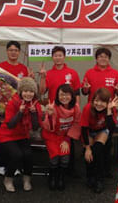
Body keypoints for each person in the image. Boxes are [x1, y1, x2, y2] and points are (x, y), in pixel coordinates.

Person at [39, 46, 81, 177]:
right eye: (55, 55)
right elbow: (41, 91)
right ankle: (54, 169)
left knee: (69, 140)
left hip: (70, 111)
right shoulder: (49, 74)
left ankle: (69, 170)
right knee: (54, 140)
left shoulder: (72, 73)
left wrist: (76, 108)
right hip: (54, 112)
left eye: (60, 55)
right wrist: (42, 77)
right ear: (52, 57)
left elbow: (77, 92)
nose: (58, 57)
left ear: (64, 56)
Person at [81, 47, 118, 178]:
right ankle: (92, 172)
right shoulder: (89, 72)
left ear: (109, 59)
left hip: (109, 113)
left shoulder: (115, 73)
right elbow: (84, 92)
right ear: (96, 58)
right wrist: (85, 89)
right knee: (92, 146)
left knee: (107, 144)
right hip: (93, 113)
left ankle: (106, 169)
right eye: (100, 56)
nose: (103, 58)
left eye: (105, 56)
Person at [0, 41, 34, 177]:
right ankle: (1, 165)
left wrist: (31, 78)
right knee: (2, 140)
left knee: (16, 140)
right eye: (11, 50)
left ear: (19, 52)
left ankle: (15, 167)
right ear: (7, 51)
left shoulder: (24, 69)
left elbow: (28, 89)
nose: (13, 52)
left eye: (16, 50)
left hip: (19, 111)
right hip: (0, 110)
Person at [0, 77, 42, 192]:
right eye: (26, 91)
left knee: (28, 155)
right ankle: (8, 179)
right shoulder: (13, 102)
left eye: (31, 91)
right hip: (7, 134)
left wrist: (33, 114)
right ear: (21, 92)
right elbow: (10, 125)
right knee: (17, 155)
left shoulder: (35, 104)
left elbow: (36, 127)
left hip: (22, 135)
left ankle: (27, 180)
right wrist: (20, 112)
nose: (28, 94)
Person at [41, 84, 81, 191]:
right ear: (57, 96)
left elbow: (76, 124)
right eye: (61, 95)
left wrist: (67, 139)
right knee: (55, 158)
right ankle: (52, 177)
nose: (64, 97)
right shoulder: (53, 107)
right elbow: (48, 128)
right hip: (52, 135)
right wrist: (49, 115)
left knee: (65, 157)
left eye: (67, 94)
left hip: (65, 136)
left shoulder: (76, 108)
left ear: (72, 96)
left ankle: (61, 178)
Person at [81, 88, 118, 193]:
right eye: (96, 101)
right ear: (93, 100)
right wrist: (88, 148)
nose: (99, 104)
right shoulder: (87, 108)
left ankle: (99, 179)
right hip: (89, 131)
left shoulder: (111, 109)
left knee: (98, 150)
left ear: (107, 103)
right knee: (88, 153)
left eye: (103, 102)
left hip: (102, 130)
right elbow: (84, 129)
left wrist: (108, 111)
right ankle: (90, 176)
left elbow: (111, 128)